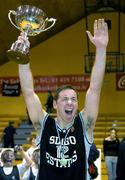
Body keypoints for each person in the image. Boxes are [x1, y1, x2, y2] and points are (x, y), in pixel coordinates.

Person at [16, 18, 108, 180]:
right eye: (65, 99)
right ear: (55, 104)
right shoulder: (44, 125)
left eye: (73, 99)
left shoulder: (84, 124)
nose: (70, 103)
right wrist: (23, 60)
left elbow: (94, 89)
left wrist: (101, 49)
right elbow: (29, 92)